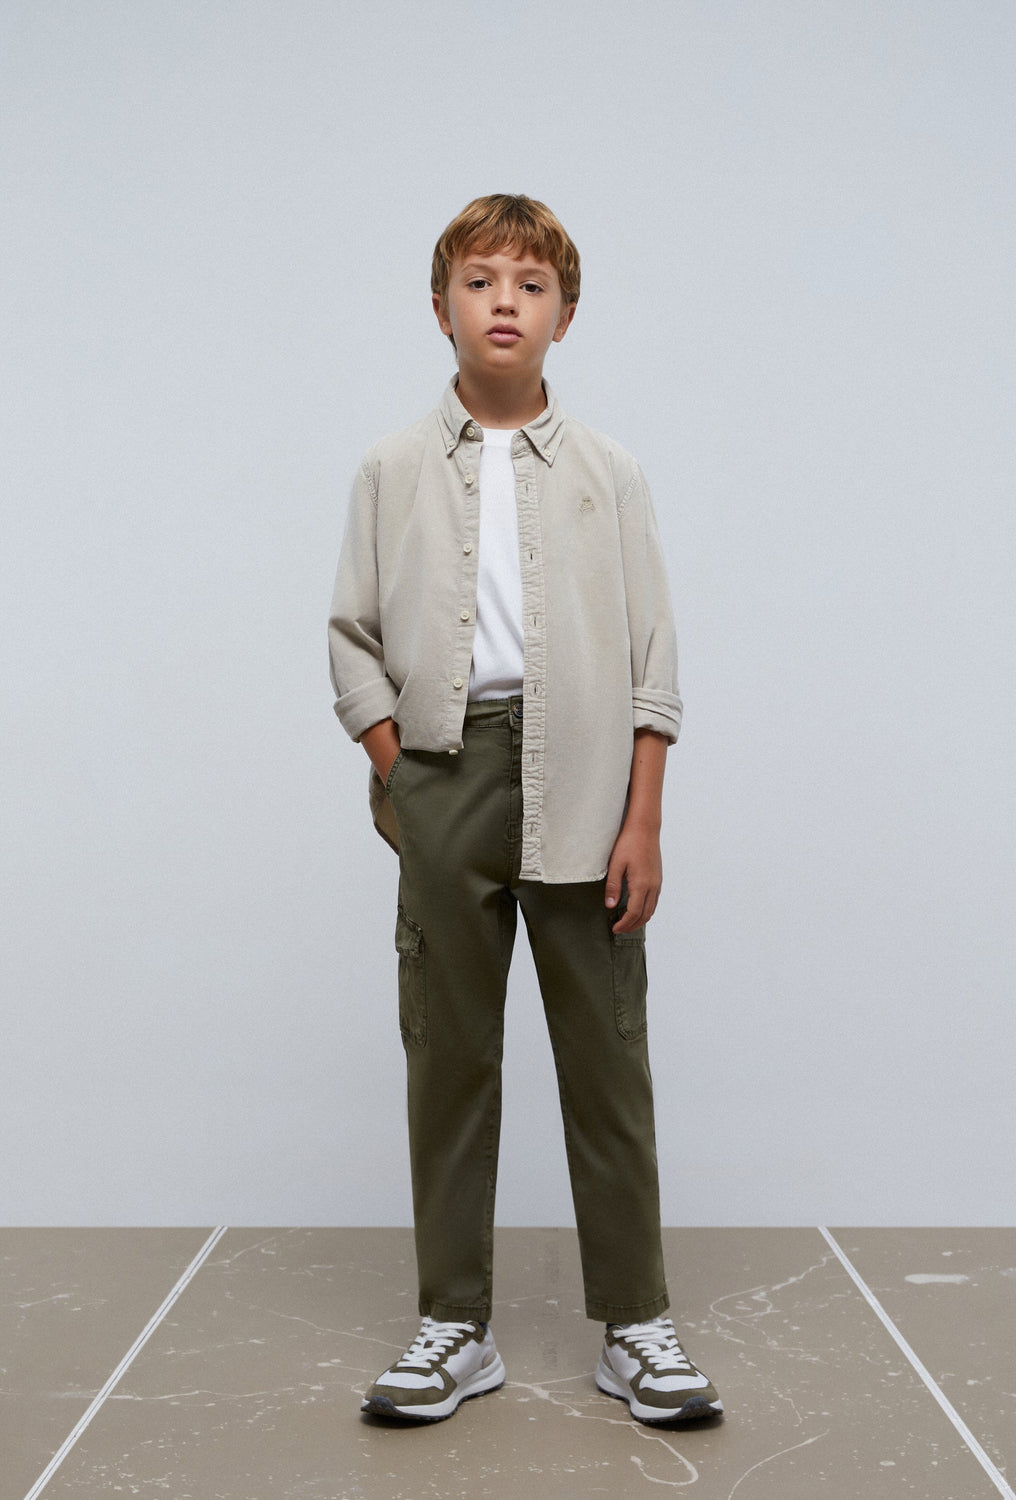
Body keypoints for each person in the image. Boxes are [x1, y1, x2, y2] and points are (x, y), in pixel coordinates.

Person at [328, 194, 722, 1426]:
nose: (505, 301)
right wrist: (399, 765)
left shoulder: (610, 473)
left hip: (588, 784)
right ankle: (454, 1324)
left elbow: (654, 659)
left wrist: (642, 820)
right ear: (439, 306)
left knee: (606, 1058)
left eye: (531, 283)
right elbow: (350, 637)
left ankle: (636, 1324)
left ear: (565, 313)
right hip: (444, 773)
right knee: (449, 1058)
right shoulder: (391, 468)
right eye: (481, 280)